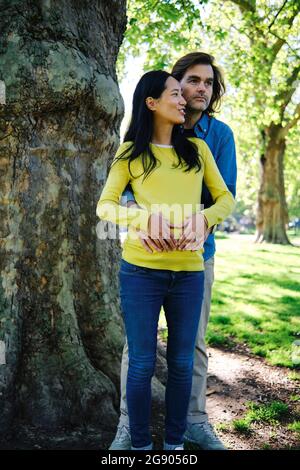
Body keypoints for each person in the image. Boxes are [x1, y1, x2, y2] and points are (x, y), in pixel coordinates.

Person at [97, 70, 235, 451]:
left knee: (181, 364)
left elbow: (226, 199)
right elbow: (105, 206)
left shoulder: (199, 151)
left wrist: (205, 217)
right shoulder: (130, 154)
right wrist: (143, 216)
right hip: (141, 273)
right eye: (175, 94)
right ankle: (139, 444)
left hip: (189, 274)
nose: (183, 100)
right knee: (141, 363)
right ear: (152, 103)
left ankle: (174, 445)